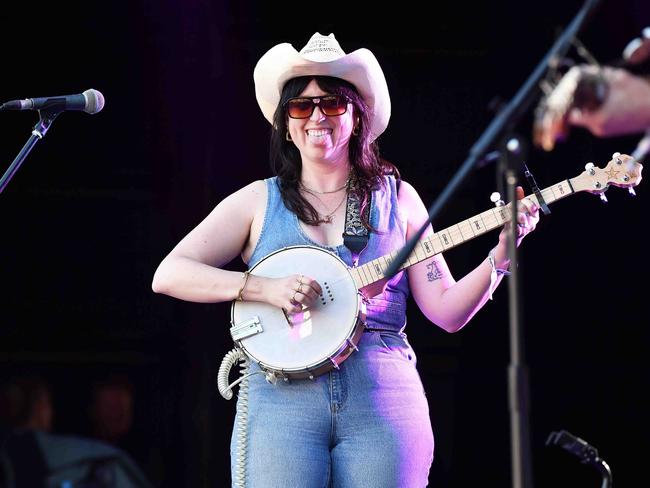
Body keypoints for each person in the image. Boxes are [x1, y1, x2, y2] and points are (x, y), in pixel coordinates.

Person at [151, 32, 540, 487]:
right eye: (301, 106)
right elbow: (170, 273)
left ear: (356, 116)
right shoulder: (258, 201)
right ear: (287, 122)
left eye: (332, 103)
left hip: (381, 392)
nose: (317, 116)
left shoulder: (399, 200)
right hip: (281, 399)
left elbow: (447, 310)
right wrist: (262, 288)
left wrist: (501, 255)